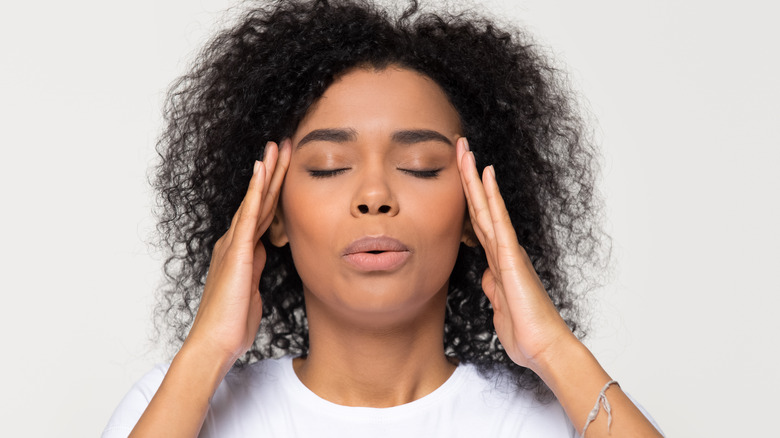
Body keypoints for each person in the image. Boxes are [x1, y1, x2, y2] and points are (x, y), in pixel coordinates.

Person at [103, 0, 664, 436]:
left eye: (420, 167)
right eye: (328, 167)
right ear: (270, 214)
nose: (374, 195)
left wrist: (555, 351)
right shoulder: (178, 405)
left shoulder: (562, 416)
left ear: (475, 212)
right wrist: (208, 349)